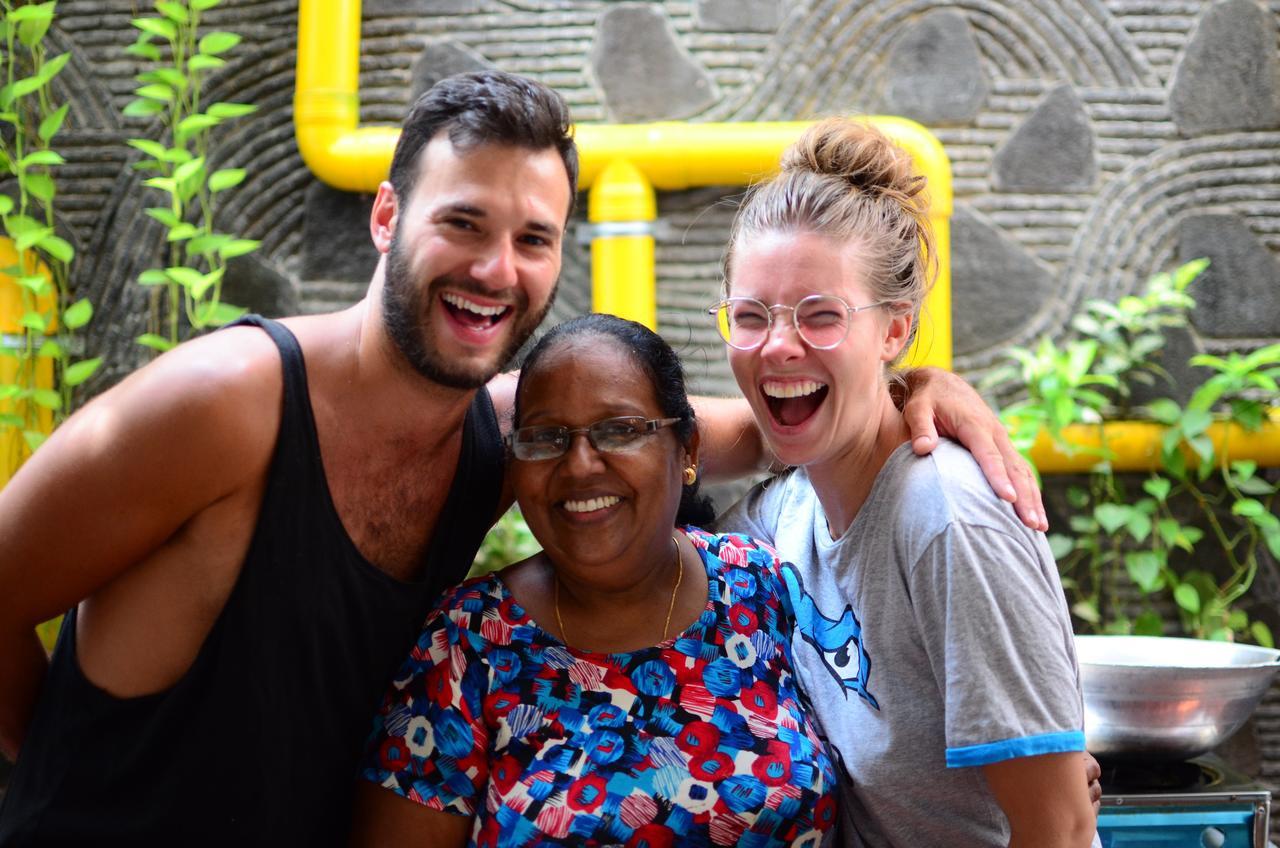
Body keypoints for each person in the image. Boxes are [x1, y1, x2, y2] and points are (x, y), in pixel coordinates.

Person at [0, 70, 1039, 844]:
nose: (496, 267)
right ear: (385, 216)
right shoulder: (229, 404)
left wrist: (910, 386)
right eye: (464, 221)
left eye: (533, 238)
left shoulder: (500, 435)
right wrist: (68, 769)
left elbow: (766, 422)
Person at [709, 117, 1097, 847]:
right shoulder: (786, 515)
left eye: (821, 317)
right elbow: (626, 444)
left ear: (894, 330)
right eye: (751, 317)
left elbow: (1062, 829)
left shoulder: (947, 522)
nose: (779, 345)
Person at [353, 314, 838, 847]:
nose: (580, 465)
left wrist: (916, 389)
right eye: (545, 438)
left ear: (689, 450)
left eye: (620, 430)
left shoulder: (761, 585)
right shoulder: (465, 644)